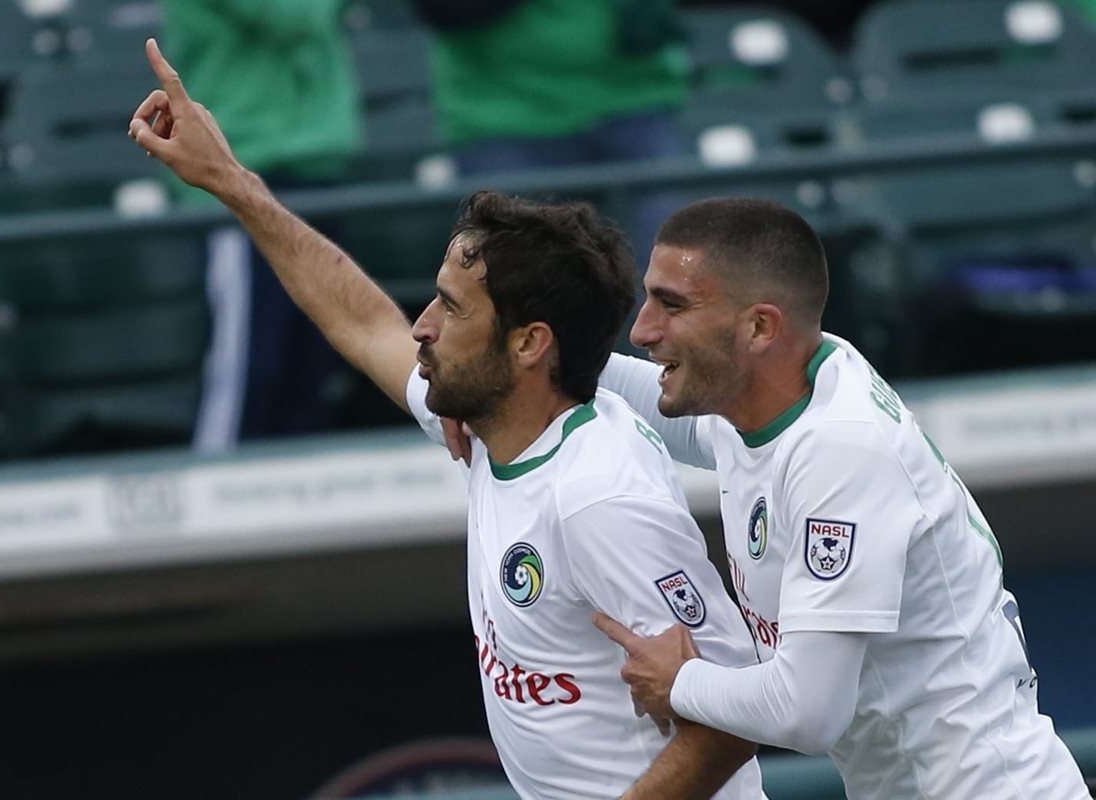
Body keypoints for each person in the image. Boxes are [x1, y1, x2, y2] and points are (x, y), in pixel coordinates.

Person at [127, 39, 766, 799]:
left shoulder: (599, 496)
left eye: (451, 308)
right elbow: (365, 324)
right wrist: (231, 183)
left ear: (530, 345)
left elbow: (735, 713)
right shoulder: (492, 420)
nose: (422, 326)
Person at [579, 198, 1089, 798]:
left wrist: (682, 680)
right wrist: (534, 362)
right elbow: (675, 416)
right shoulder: (782, 383)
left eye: (672, 304)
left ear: (761, 327)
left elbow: (808, 709)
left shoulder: (840, 450)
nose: (642, 330)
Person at [162, 0, 362, 450]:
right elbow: (293, 15)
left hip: (318, 168)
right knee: (251, 371)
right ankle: (214, 507)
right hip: (237, 169)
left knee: (311, 371)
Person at [415, 0, 693, 268]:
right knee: (521, 283)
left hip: (638, 100)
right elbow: (445, 8)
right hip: (504, 115)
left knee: (675, 276)